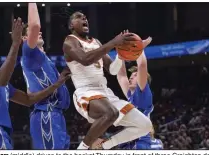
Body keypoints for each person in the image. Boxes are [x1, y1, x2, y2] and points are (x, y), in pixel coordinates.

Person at [0, 18, 70, 150]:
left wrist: (56, 84)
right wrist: (15, 44)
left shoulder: (2, 85)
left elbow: (28, 100)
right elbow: (1, 78)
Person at [63, 11, 153, 149]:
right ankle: (82, 149)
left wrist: (120, 55)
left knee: (145, 125)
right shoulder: (70, 41)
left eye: (85, 17)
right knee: (110, 113)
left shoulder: (96, 42)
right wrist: (113, 43)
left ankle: (105, 146)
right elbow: (85, 59)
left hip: (105, 92)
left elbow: (112, 69)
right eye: (79, 17)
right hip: (86, 91)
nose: (84, 19)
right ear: (71, 25)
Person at [20, 3, 71, 149]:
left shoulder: (42, 59)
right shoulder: (29, 54)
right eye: (31, 32)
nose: (39, 32)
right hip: (46, 114)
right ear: (25, 38)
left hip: (56, 115)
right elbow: (35, 25)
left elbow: (30, 91)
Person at [116, 51, 163, 149]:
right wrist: (119, 51)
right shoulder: (130, 96)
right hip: (132, 140)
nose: (131, 77)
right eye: (131, 76)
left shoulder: (143, 94)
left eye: (135, 76)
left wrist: (137, 47)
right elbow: (121, 75)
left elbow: (142, 65)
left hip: (142, 141)